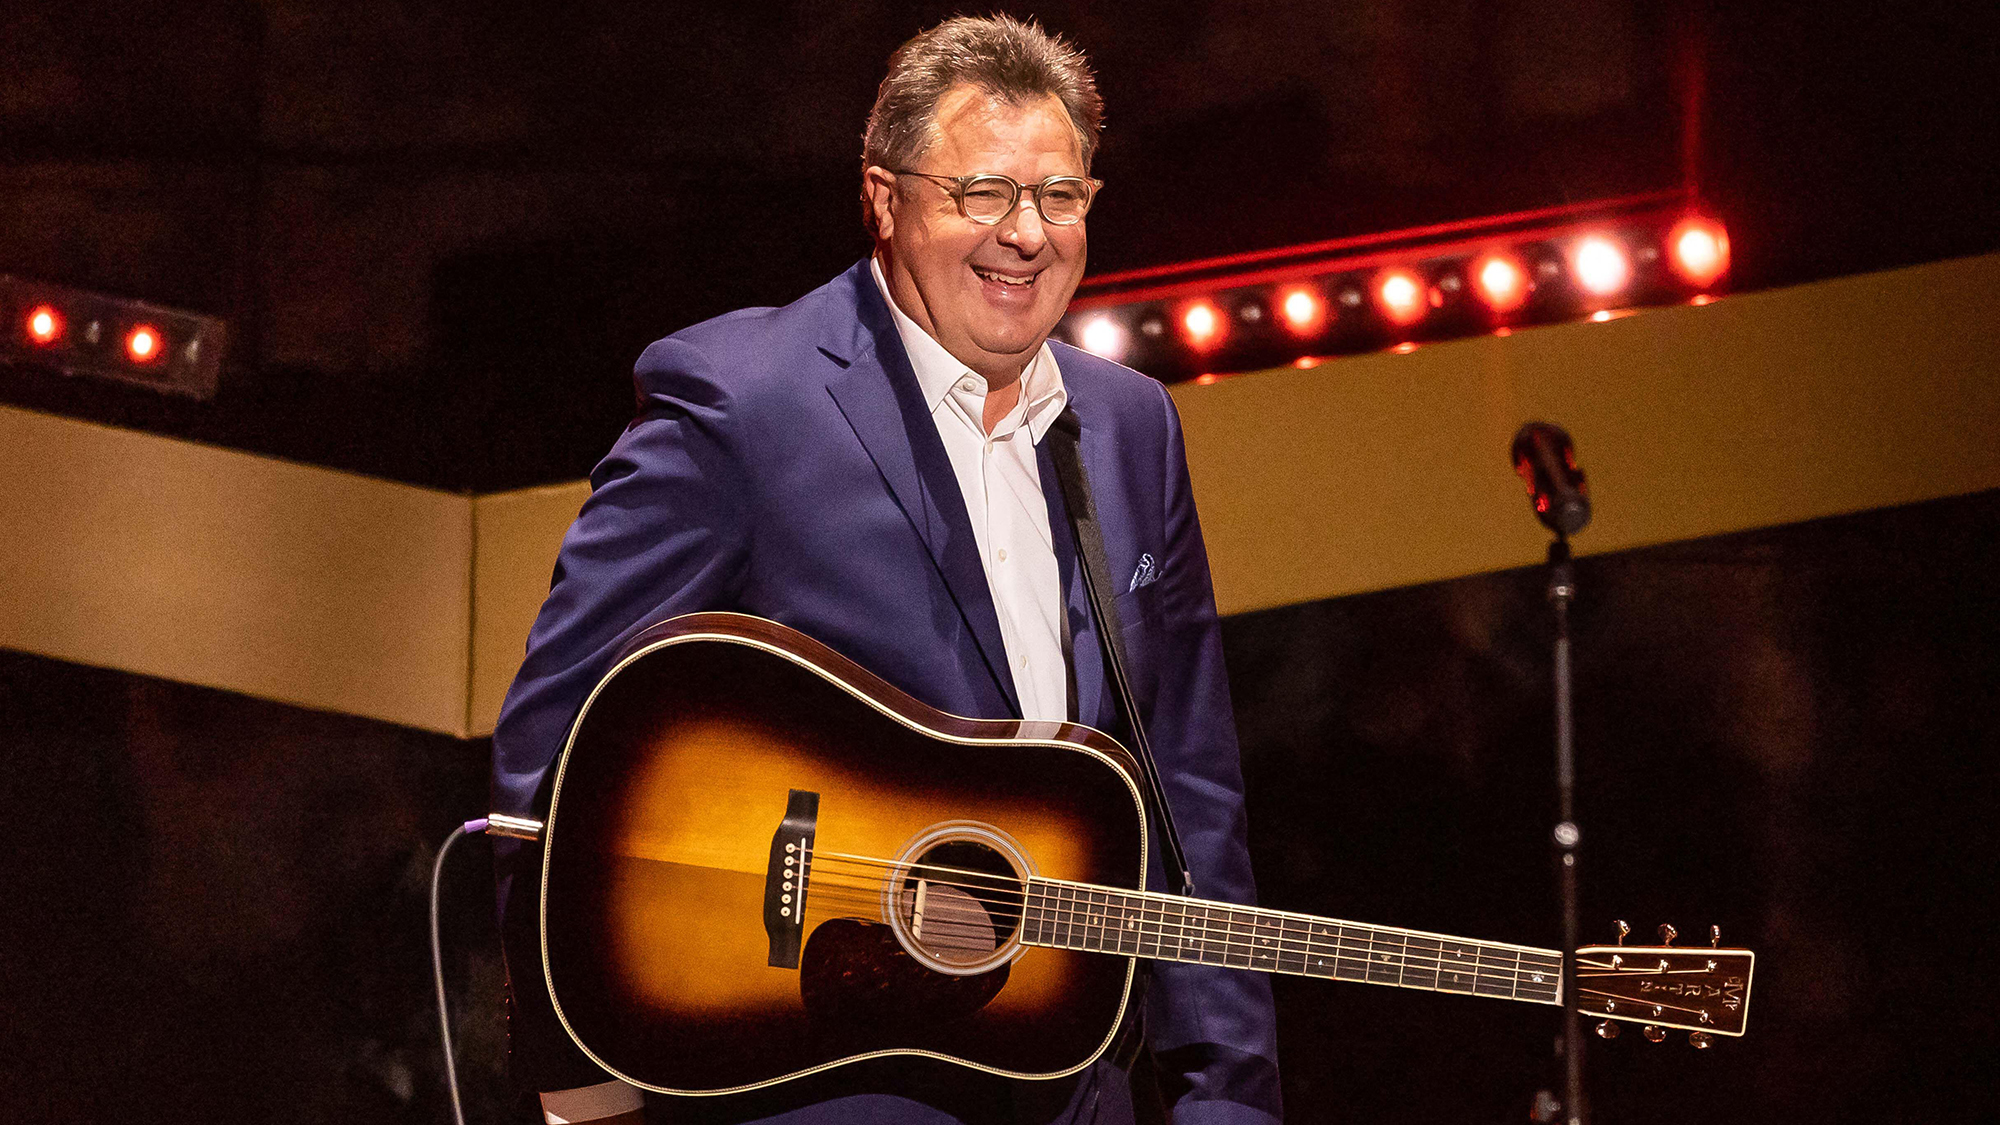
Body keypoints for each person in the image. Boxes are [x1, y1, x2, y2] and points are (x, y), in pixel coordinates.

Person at [490, 15, 1281, 1125]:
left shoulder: (1130, 426)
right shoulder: (742, 402)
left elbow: (1189, 796)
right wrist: (586, 1075)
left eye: (1059, 198)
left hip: (1071, 1093)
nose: (1025, 234)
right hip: (808, 1089)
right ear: (882, 196)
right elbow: (559, 741)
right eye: (979, 194)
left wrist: (1224, 1100)